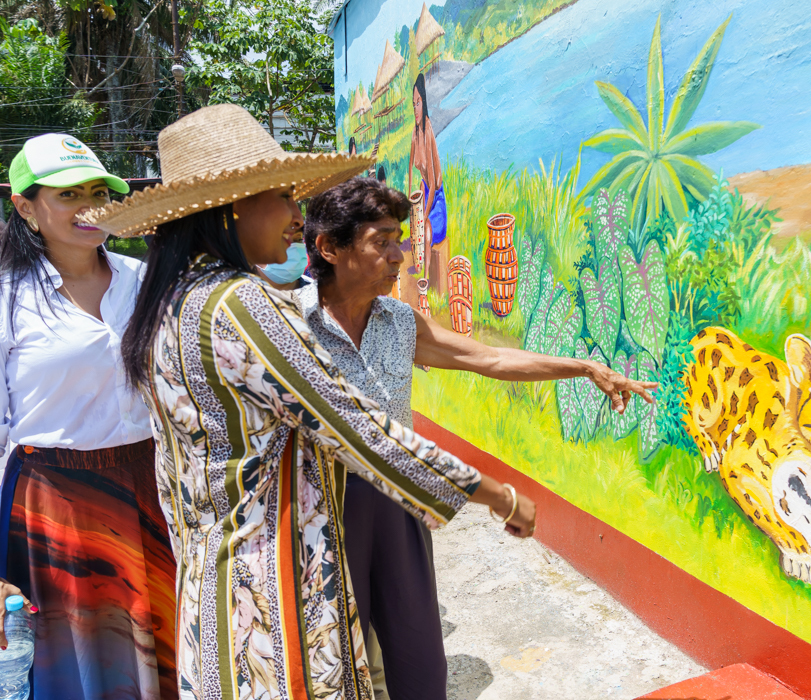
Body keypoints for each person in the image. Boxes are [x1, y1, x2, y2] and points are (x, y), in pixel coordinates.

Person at [82, 103, 537, 699]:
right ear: (233, 205)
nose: (297, 217)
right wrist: (496, 494)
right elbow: (357, 427)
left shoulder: (170, 301)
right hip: (272, 597)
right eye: (283, 197)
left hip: (213, 591)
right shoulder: (241, 304)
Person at [299, 178, 657, 700]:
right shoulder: (291, 324)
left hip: (402, 502)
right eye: (382, 241)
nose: (399, 255)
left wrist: (582, 367)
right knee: (335, 662)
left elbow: (486, 358)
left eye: (400, 239)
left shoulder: (401, 322)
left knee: (417, 659)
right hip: (322, 510)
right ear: (330, 247)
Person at [0, 134, 177, 698]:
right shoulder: (8, 298)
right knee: (79, 668)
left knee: (170, 648)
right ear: (25, 207)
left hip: (154, 487)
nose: (90, 206)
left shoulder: (147, 281)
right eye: (68, 194)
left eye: (99, 192)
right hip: (52, 504)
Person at [407, 73, 447, 295]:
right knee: (415, 226)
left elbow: (432, 182)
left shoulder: (428, 128)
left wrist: (423, 215)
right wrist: (412, 195)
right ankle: (419, 266)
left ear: (424, 102)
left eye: (418, 103)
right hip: (425, 191)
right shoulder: (415, 132)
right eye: (413, 104)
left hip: (437, 197)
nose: (415, 108)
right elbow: (413, 171)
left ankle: (424, 281)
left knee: (427, 229)